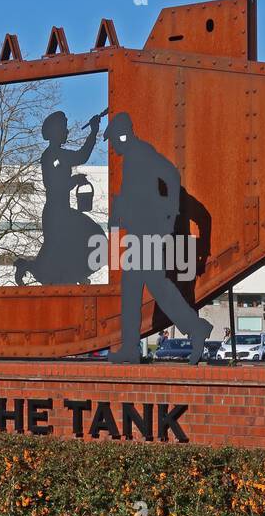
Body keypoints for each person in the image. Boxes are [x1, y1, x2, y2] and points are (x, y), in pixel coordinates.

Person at [102, 112, 213, 364]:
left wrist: (170, 216)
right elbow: (138, 195)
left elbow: (172, 175)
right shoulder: (132, 157)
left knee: (154, 288)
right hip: (140, 234)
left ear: (123, 134)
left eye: (114, 141)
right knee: (140, 288)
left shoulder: (140, 153)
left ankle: (194, 328)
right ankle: (135, 347)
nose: (113, 146)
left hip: (147, 235)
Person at [14, 110, 104, 286]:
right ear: (56, 132)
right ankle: (35, 268)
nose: (67, 132)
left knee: (62, 250)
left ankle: (67, 275)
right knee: (94, 238)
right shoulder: (53, 155)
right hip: (58, 213)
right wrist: (93, 132)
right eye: (64, 128)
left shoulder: (53, 155)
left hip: (59, 213)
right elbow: (56, 183)